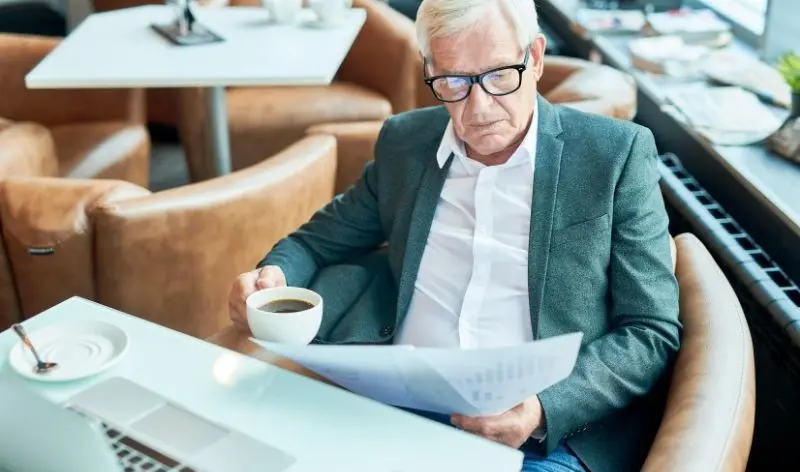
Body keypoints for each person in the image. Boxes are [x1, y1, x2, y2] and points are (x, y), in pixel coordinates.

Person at [229, 0, 681, 470]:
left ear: (536, 57)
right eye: (454, 82)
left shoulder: (615, 155)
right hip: (394, 407)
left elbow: (651, 330)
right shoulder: (405, 142)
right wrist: (271, 278)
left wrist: (543, 408)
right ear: (431, 71)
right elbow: (314, 242)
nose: (478, 108)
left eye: (500, 74)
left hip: (540, 434)